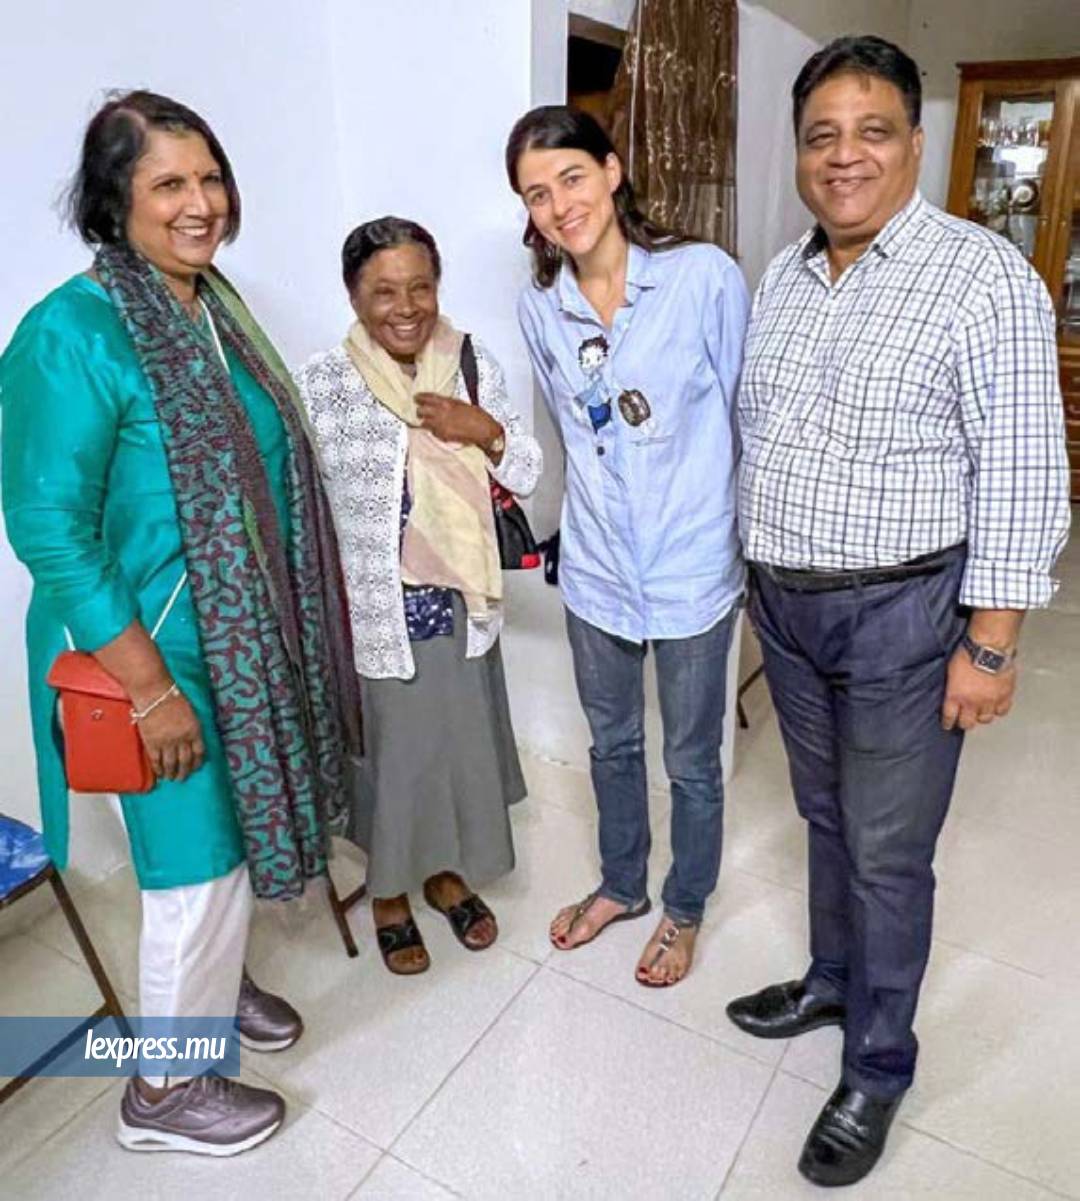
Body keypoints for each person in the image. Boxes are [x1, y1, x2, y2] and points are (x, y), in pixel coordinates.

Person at [728, 37, 1071, 1187]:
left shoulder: (982, 278)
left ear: (916, 145)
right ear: (800, 154)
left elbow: (1025, 474)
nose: (845, 156)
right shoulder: (783, 274)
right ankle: (832, 982)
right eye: (822, 135)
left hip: (905, 617)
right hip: (789, 607)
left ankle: (878, 1063)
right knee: (826, 816)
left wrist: (992, 643)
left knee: (887, 851)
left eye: (872, 131)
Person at [1, 91, 362, 1155]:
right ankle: (163, 1087)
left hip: (234, 637)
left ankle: (207, 990)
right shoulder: (71, 333)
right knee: (193, 865)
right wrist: (152, 687)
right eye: (169, 183)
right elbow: (51, 529)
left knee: (224, 848)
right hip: (142, 653)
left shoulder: (210, 305)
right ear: (116, 203)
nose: (200, 203)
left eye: (210, 178)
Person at [507, 106, 750, 987]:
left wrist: (745, 550)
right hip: (600, 566)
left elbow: (742, 417)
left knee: (691, 758)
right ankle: (621, 885)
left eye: (571, 176)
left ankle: (684, 907)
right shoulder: (544, 304)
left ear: (612, 172)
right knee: (611, 745)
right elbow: (575, 431)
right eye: (537, 194)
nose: (559, 204)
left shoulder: (701, 278)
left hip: (691, 563)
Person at [296, 217, 541, 975]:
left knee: (453, 748)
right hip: (376, 612)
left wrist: (487, 431)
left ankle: (443, 874)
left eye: (421, 287)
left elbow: (527, 471)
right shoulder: (322, 383)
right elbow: (304, 505)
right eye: (383, 291)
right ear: (353, 295)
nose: (405, 306)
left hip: (461, 605)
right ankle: (391, 895)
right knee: (394, 758)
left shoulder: (468, 362)